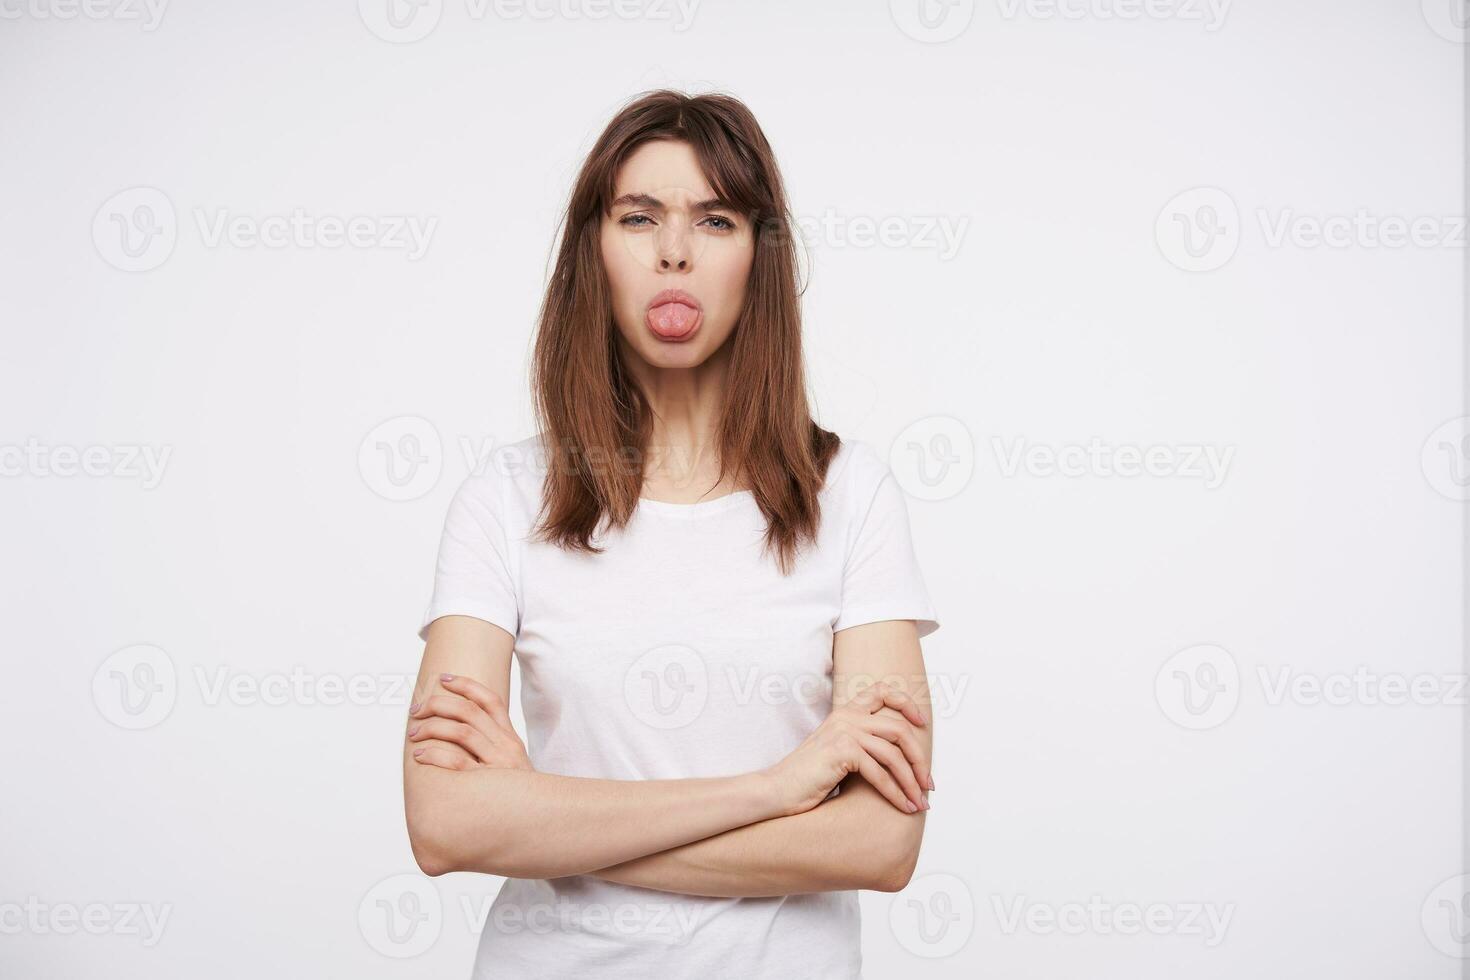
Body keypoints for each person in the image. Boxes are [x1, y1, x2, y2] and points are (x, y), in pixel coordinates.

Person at [402, 89, 941, 980]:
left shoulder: (852, 496)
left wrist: (542, 817)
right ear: (596, 249)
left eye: (716, 220)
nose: (675, 253)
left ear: (758, 257)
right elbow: (444, 823)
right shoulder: (504, 498)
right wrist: (772, 793)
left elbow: (881, 843)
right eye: (639, 217)